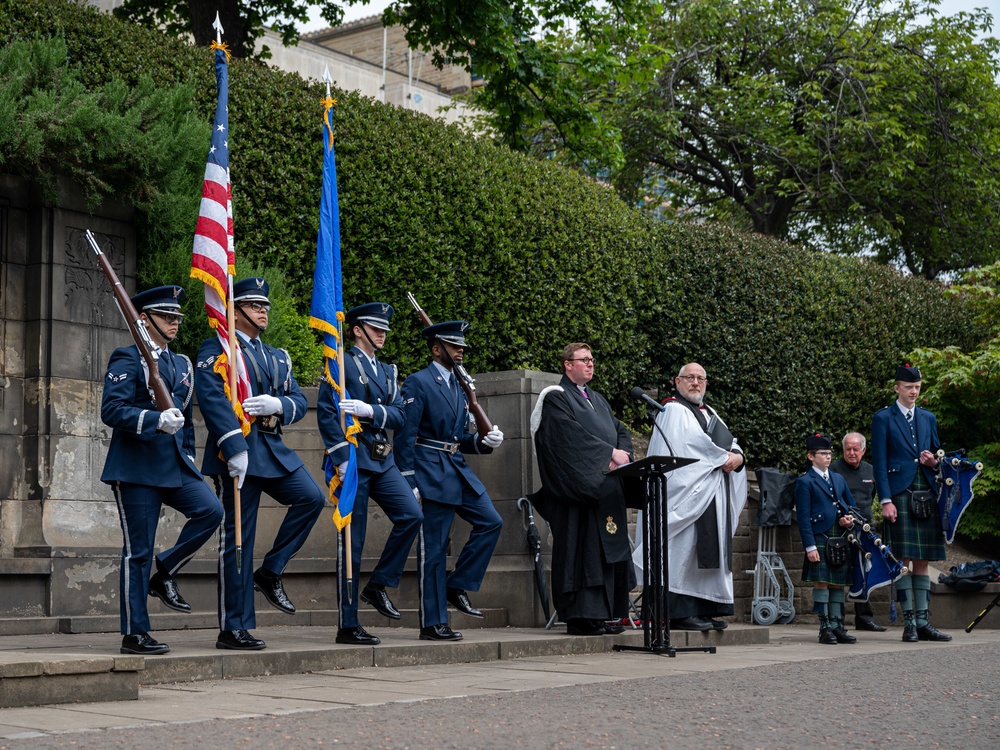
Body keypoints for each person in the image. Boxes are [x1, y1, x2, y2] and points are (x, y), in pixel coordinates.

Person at [195, 277, 326, 650]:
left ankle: (271, 571)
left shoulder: (277, 356)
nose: (263, 311)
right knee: (238, 540)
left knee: (312, 498)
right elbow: (212, 398)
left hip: (272, 448)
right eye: (254, 306)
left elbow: (298, 400)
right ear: (234, 311)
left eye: (265, 306)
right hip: (237, 453)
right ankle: (233, 626)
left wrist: (279, 405)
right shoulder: (219, 347)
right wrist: (233, 446)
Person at [100, 285, 223, 655]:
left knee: (210, 511)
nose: (174, 323)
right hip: (137, 469)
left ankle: (165, 569)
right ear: (144, 319)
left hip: (175, 466)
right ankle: (135, 634)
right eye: (166, 317)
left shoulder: (181, 363)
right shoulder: (126, 358)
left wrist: (185, 452)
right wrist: (153, 420)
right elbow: (112, 411)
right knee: (136, 552)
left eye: (177, 318)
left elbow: (183, 421)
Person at [317, 302, 423, 645]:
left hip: (380, 457)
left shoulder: (388, 371)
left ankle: (378, 585)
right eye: (376, 329)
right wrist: (340, 456)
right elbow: (325, 411)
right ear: (357, 329)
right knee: (353, 541)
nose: (382, 335)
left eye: (385, 330)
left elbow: (399, 416)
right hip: (353, 456)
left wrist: (370, 411)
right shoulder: (341, 361)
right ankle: (348, 624)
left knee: (411, 514)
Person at [395, 320, 504, 641]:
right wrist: (408, 479)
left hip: (455, 468)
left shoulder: (460, 387)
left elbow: (459, 439)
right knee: (434, 549)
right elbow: (405, 435)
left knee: (491, 522)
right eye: (454, 347)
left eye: (461, 347)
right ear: (435, 349)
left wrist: (485, 442)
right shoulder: (418, 383)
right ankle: (433, 622)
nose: (460, 352)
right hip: (428, 470)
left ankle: (457, 585)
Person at [530, 343, 636, 636]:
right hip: (577, 494)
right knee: (582, 552)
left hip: (605, 489)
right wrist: (607, 455)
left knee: (607, 551)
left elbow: (621, 431)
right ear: (567, 364)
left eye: (592, 360)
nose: (590, 364)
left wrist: (621, 456)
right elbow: (566, 438)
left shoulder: (598, 399)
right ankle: (581, 617)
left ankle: (606, 615)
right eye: (584, 360)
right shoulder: (556, 398)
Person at [643, 362, 747, 631]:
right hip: (686, 494)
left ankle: (703, 608)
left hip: (711, 493)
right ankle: (679, 613)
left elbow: (730, 442)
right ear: (677, 382)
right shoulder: (672, 410)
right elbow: (690, 446)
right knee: (683, 550)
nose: (695, 383)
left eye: (701, 378)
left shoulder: (710, 412)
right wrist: (726, 457)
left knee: (704, 550)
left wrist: (739, 457)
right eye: (689, 377)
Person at [871, 362, 951, 642]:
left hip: (925, 493)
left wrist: (934, 462)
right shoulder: (883, 418)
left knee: (922, 561)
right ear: (897, 388)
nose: (914, 392)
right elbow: (879, 464)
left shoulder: (928, 418)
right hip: (900, 493)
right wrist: (886, 501)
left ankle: (923, 622)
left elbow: (938, 457)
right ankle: (909, 624)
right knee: (903, 560)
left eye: (917, 387)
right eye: (908, 387)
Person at [795, 434, 859, 645]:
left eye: (830, 453)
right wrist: (810, 546)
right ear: (811, 456)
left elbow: (851, 506)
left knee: (838, 584)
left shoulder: (838, 478)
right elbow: (803, 518)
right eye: (823, 454)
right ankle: (824, 628)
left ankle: (837, 626)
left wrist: (848, 519)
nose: (828, 457)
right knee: (822, 583)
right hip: (820, 536)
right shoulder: (805, 481)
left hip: (838, 536)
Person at [829, 432, 887, 632]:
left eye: (855, 449)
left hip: (864, 528)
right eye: (848, 449)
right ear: (843, 449)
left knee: (864, 574)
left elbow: (872, 497)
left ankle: (864, 619)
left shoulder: (871, 471)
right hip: (839, 529)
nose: (851, 453)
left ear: (863, 450)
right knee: (837, 573)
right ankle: (836, 620)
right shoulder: (832, 469)